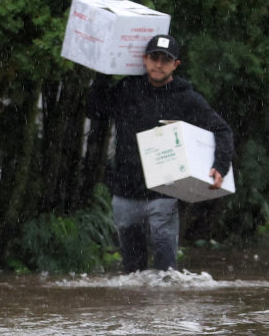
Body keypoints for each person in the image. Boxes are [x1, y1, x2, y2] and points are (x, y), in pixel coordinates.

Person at [87, 34, 234, 273]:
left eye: (166, 60)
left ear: (175, 65)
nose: (159, 64)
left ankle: (164, 310)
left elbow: (222, 129)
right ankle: (137, 312)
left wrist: (220, 165)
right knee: (133, 272)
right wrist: (103, 74)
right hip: (125, 192)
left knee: (166, 271)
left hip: (165, 193)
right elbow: (94, 110)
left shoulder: (187, 99)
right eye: (154, 58)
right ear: (144, 59)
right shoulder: (126, 88)